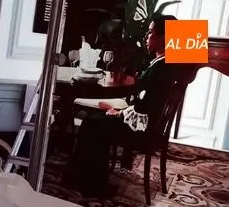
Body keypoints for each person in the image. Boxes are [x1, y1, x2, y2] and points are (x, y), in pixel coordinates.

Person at [68, 14, 179, 196]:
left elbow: (145, 107)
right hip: (149, 125)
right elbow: (145, 102)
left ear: (164, 38)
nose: (146, 37)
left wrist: (118, 113)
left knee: (93, 123)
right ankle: (89, 179)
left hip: (142, 131)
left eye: (150, 33)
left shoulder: (161, 69)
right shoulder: (166, 64)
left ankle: (91, 184)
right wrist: (118, 111)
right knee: (96, 120)